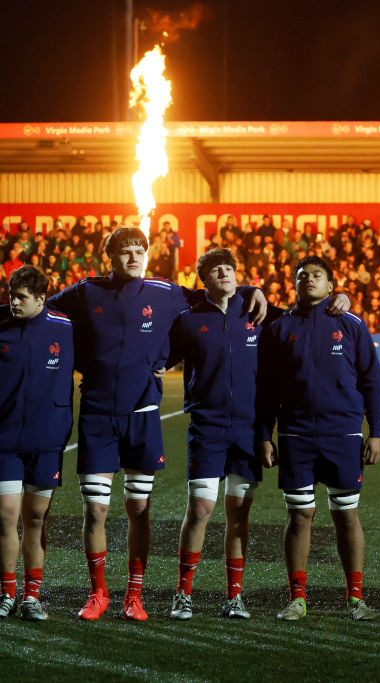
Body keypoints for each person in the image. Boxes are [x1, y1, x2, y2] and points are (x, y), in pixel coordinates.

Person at [47, 227, 268, 621]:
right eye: (126, 252)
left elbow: (217, 290)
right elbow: (39, 311)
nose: (134, 257)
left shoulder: (166, 292)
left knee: (139, 507)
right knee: (95, 513)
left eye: (139, 251)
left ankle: (135, 594)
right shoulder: (84, 291)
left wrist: (253, 289)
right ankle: (98, 593)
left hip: (144, 415)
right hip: (97, 414)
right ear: (110, 258)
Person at [256, 255, 380, 622]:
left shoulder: (351, 325)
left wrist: (376, 432)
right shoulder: (279, 328)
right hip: (296, 435)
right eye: (302, 276)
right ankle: (297, 598)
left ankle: (355, 598)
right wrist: (265, 435)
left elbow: (372, 382)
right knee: (300, 516)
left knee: (346, 515)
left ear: (331, 285)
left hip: (343, 435)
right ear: (294, 284)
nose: (309, 280)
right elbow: (265, 390)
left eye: (317, 275)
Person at [164, 249, 281, 620]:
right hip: (207, 428)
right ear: (205, 280)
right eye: (217, 270)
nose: (225, 273)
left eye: (230, 268)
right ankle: (183, 594)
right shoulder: (187, 321)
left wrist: (339, 298)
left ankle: (234, 597)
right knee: (200, 509)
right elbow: (159, 359)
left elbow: (303, 317)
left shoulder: (257, 314)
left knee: (238, 515)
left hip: (248, 431)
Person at [0, 266, 75, 621]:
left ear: (42, 299)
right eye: (11, 295)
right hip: (5, 440)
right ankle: (7, 593)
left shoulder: (67, 327)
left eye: (21, 298)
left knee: (35, 518)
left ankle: (32, 596)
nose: (14, 302)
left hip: (47, 440)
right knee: (5, 516)